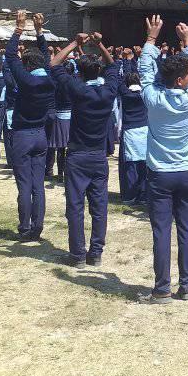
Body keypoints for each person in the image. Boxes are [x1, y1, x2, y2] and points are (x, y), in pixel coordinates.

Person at [138, 16, 188, 304]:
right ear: (180, 80)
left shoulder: (153, 98)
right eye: (187, 75)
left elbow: (144, 71)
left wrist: (151, 40)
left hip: (160, 174)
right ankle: (186, 285)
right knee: (187, 230)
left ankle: (162, 287)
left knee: (161, 231)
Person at [51, 33, 120, 267]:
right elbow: (113, 65)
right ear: (97, 72)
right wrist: (100, 43)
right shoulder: (108, 92)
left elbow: (54, 63)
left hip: (78, 155)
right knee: (99, 207)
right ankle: (96, 252)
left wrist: (74, 43)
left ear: (79, 73)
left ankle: (78, 254)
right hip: (99, 155)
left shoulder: (77, 90)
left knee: (75, 207)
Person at [5, 12, 56, 240]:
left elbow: (9, 56)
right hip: (40, 135)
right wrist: (39, 31)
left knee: (24, 185)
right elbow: (46, 58)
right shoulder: (50, 80)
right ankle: (37, 226)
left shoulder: (26, 80)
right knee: (38, 185)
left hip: (23, 135)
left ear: (26, 65)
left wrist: (18, 28)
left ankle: (24, 226)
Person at [118, 70, 149, 206]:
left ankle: (130, 195)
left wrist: (124, 62)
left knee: (131, 165)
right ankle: (143, 195)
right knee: (144, 164)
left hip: (130, 130)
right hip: (145, 129)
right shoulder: (145, 94)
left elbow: (119, 83)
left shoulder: (126, 94)